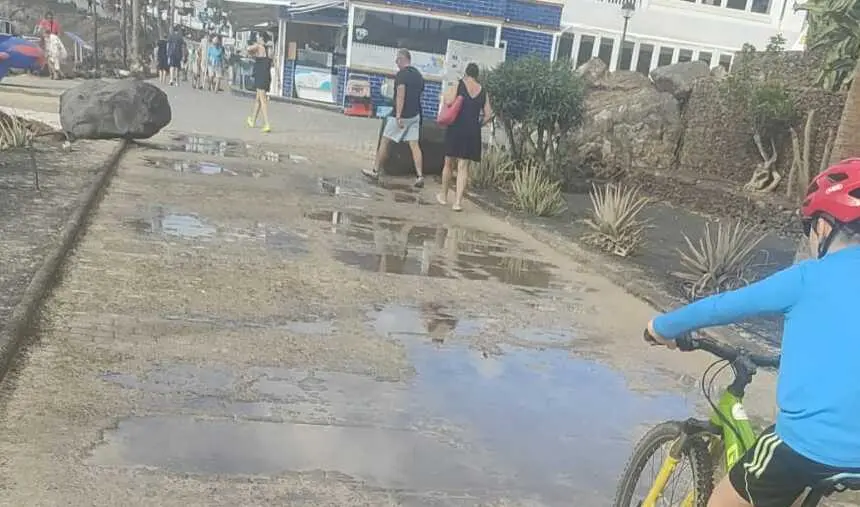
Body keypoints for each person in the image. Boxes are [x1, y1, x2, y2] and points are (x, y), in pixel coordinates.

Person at [645, 158, 860, 507]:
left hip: (809, 447)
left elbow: (720, 307)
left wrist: (659, 326)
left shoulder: (807, 277)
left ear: (823, 227)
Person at [362, 48, 425, 188]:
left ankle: (375, 171)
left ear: (403, 59)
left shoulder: (402, 75)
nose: (396, 62)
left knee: (385, 141)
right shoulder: (418, 75)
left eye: (397, 59)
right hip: (415, 115)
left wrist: (398, 115)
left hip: (402, 116)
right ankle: (420, 176)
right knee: (415, 145)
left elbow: (400, 95)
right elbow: (419, 94)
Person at [436, 63, 492, 212]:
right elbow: (488, 114)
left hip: (456, 128)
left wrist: (445, 96)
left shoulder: (459, 84)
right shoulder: (483, 91)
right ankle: (458, 203)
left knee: (448, 163)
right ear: (477, 74)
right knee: (463, 167)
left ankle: (443, 196)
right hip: (472, 130)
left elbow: (448, 101)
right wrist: (479, 124)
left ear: (466, 73)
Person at [245, 32, 272, 133]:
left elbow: (248, 49)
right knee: (258, 99)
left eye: (258, 37)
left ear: (261, 38)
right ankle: (253, 120)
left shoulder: (259, 46)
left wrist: (253, 49)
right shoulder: (270, 50)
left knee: (262, 100)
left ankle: (267, 123)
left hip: (260, 76)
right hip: (266, 75)